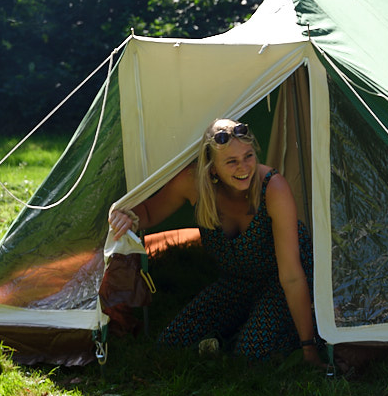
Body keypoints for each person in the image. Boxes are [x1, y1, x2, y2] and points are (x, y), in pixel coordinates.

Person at [107, 119, 324, 367]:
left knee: (250, 355)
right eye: (231, 161)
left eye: (249, 156)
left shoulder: (273, 187)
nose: (243, 167)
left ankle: (301, 330)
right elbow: (147, 212)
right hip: (238, 282)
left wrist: (309, 349)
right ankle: (238, 330)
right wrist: (124, 216)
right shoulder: (193, 183)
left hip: (282, 281)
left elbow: (292, 277)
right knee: (172, 341)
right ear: (212, 169)